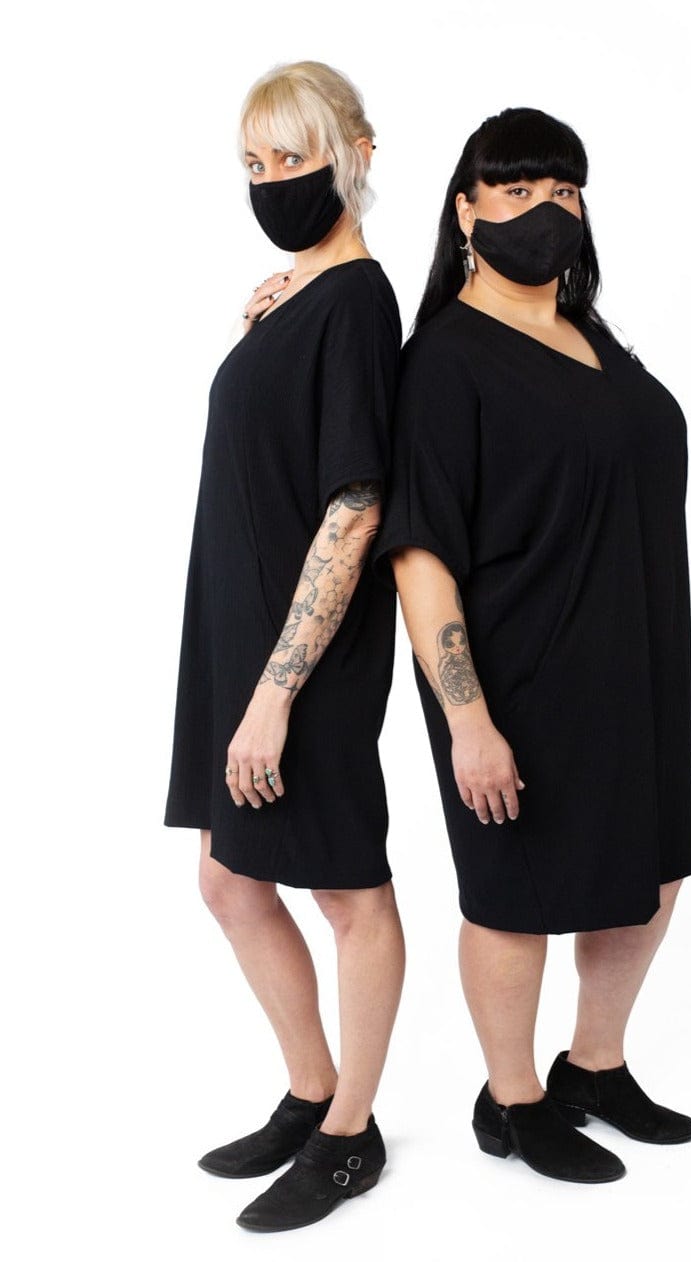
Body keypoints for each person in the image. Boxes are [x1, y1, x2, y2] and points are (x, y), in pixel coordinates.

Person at [373, 107, 691, 1185]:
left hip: (638, 662)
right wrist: (468, 720)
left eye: (562, 191)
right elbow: (420, 555)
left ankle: (594, 1065)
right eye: (516, 190)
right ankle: (511, 1099)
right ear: (466, 212)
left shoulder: (590, 331)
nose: (544, 210)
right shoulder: (444, 362)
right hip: (519, 675)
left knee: (652, 873)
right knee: (515, 893)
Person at [164, 60, 404, 1231]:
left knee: (346, 888)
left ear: (355, 154)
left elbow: (354, 505)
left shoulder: (357, 302)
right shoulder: (303, 295)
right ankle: (311, 1090)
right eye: (253, 165)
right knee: (230, 877)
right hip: (235, 633)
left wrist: (275, 692)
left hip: (299, 658)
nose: (271, 182)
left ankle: (351, 1131)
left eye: (293, 158)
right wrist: (262, 325)